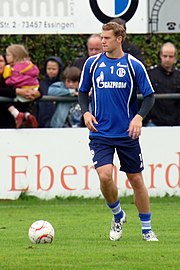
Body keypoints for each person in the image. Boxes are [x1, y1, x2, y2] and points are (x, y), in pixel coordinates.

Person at [78, 22, 158, 241]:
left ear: (119, 38)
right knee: (105, 176)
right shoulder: (92, 64)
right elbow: (83, 92)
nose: (102, 41)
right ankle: (117, 215)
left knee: (136, 179)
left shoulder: (134, 65)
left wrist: (139, 117)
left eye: (107, 38)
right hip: (100, 132)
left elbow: (149, 96)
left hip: (126, 133)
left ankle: (147, 229)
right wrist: (86, 113)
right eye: (101, 37)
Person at [0, 52, 42, 128]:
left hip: (15, 124)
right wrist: (18, 91)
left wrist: (36, 94)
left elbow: (35, 85)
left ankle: (27, 116)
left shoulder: (15, 75)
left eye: (1, 61)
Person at [145, 42, 180, 126]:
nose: (167, 59)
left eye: (170, 56)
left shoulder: (179, 76)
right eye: (165, 56)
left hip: (176, 124)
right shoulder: (150, 75)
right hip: (154, 123)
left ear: (175, 57)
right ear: (160, 56)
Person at [36, 56, 64, 128]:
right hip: (42, 119)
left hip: (57, 121)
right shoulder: (40, 84)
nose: (51, 71)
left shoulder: (62, 85)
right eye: (49, 68)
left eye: (54, 69)